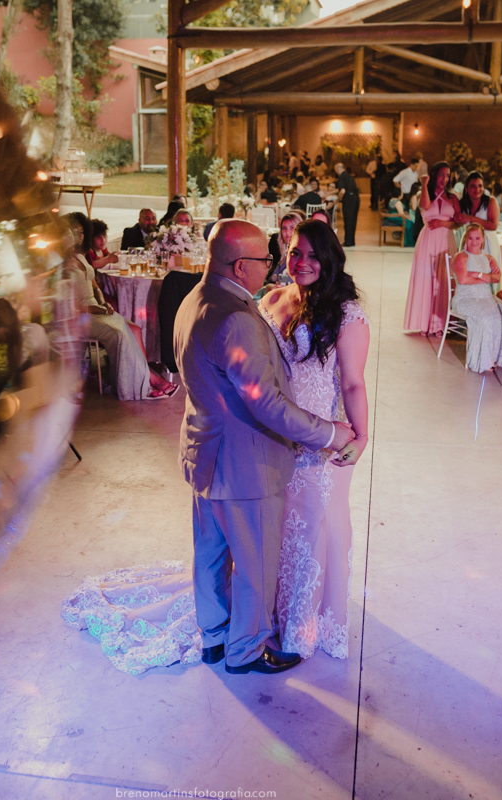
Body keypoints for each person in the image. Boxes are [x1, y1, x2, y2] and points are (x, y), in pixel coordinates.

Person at [174, 219, 354, 674]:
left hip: (203, 453)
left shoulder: (194, 299)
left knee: (211, 555)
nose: (274, 266)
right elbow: (267, 405)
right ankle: (246, 651)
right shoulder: (237, 318)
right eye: (265, 259)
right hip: (245, 463)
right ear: (240, 266)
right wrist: (331, 432)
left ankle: (214, 637)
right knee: (255, 567)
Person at [255, 219, 368, 658]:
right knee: (283, 525)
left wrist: (361, 437)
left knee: (319, 522)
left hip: (324, 441)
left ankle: (307, 622)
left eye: (312, 256)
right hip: (281, 433)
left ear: (328, 261)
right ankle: (276, 611)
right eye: (295, 252)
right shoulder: (271, 299)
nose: (300, 262)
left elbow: (354, 383)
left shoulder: (346, 313)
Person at [63, 213, 177, 401]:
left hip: (97, 308)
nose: (78, 235)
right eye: (74, 231)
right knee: (120, 334)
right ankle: (148, 381)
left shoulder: (80, 256)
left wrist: (102, 301)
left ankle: (144, 377)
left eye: (82, 232)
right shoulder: (60, 263)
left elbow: (94, 286)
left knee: (135, 329)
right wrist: (93, 309)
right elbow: (65, 304)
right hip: (80, 315)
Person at [404, 161, 459, 334]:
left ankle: (441, 324)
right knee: (427, 279)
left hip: (446, 239)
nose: (445, 178)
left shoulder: (453, 197)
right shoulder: (423, 193)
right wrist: (424, 184)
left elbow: (457, 222)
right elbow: (425, 206)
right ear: (435, 175)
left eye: (447, 175)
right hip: (428, 238)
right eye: (441, 174)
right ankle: (425, 323)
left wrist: (442, 222)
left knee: (444, 280)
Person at [450, 224, 502, 373]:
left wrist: (477, 274)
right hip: (465, 298)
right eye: (470, 238)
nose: (474, 242)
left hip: (486, 297)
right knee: (485, 319)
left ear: (483, 239)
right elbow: (464, 280)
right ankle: (482, 361)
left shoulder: (489, 259)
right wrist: (487, 278)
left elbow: (497, 278)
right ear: (466, 239)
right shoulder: (461, 257)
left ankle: (498, 357)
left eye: (477, 238)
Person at [454, 171, 502, 272]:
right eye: (473, 186)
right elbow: (457, 221)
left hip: (487, 243)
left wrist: (470, 218)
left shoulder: (490, 202)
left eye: (480, 186)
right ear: (466, 189)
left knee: (488, 273)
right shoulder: (463, 204)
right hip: (470, 243)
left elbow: (493, 225)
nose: (477, 189)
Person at [266, 211, 302, 289]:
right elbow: (270, 281)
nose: (287, 233)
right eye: (284, 228)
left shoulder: (302, 257)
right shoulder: (284, 255)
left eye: (292, 228)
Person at [334, 162, 361, 248]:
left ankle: (348, 242)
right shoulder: (350, 176)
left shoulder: (341, 177)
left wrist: (338, 199)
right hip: (356, 199)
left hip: (348, 200)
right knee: (353, 220)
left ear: (338, 169)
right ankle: (352, 240)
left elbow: (342, 191)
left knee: (348, 220)